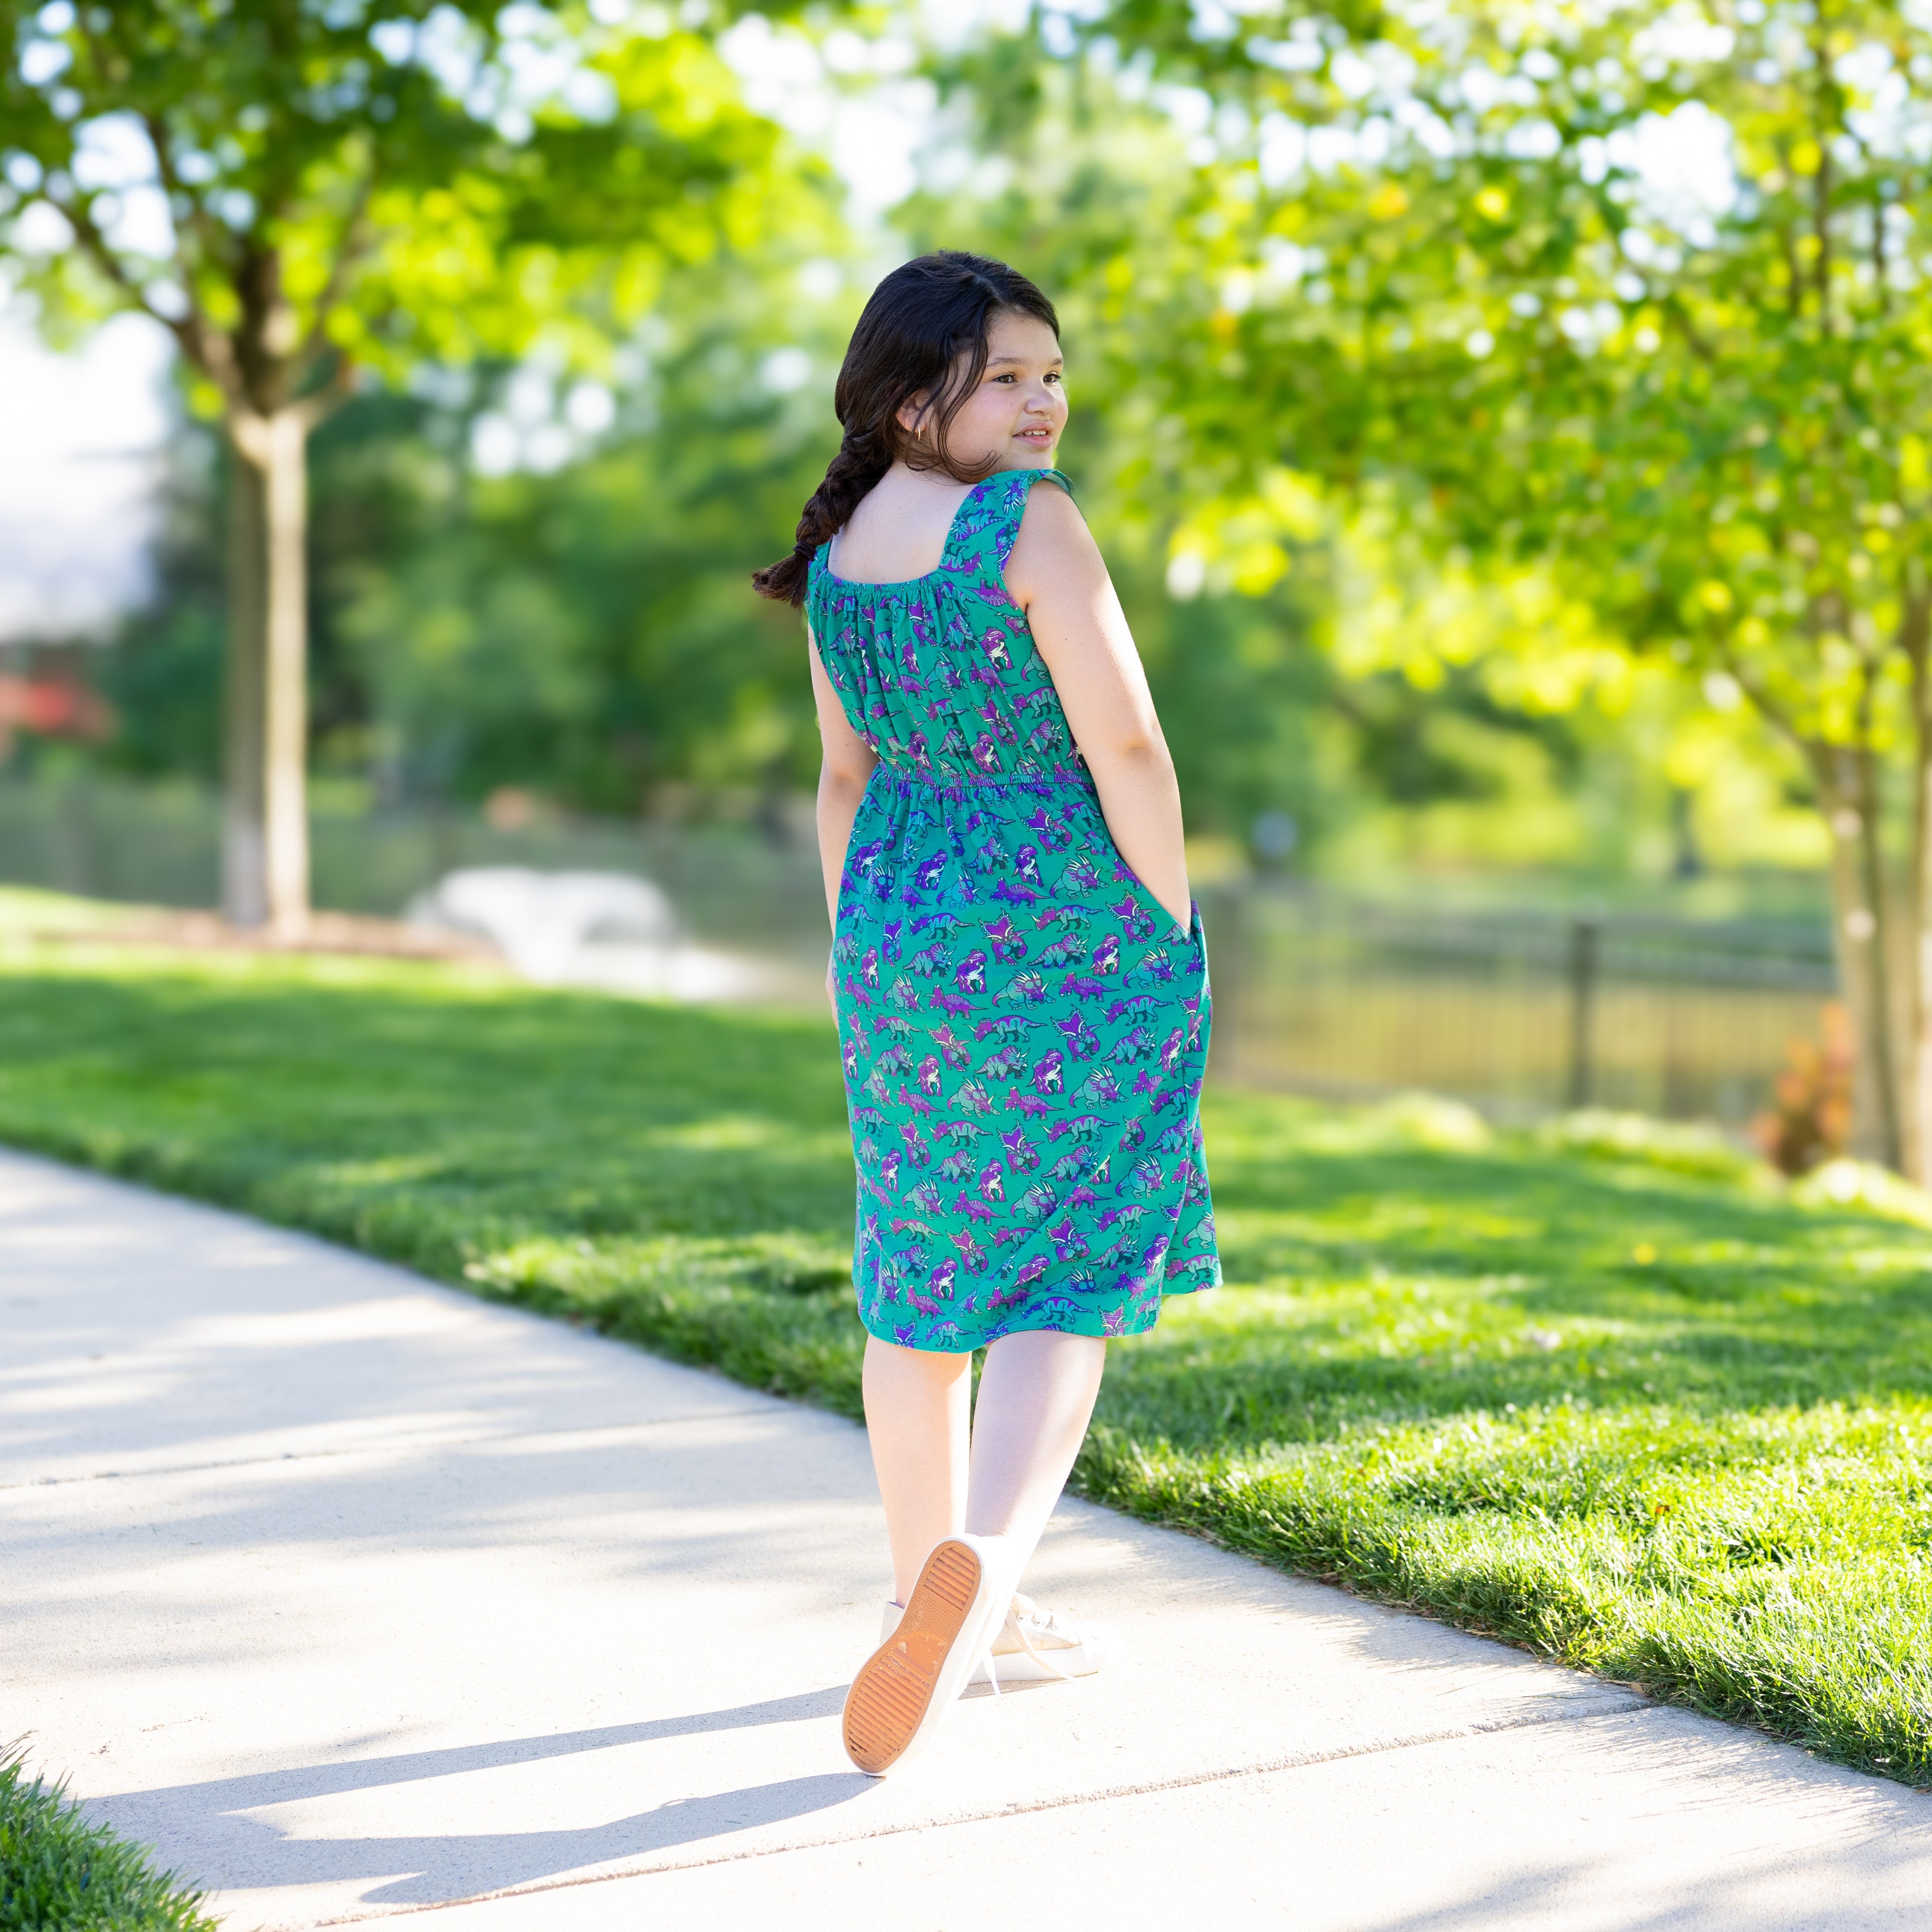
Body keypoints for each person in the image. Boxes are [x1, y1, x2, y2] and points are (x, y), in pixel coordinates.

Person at [753, 251, 1219, 1777]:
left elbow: (842, 780)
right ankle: (991, 1568)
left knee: (922, 1267)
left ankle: (928, 1595)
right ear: (909, 399)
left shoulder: (836, 558)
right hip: (1065, 922)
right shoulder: (1028, 526)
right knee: (1063, 1266)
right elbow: (1129, 747)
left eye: (1052, 373)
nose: (1042, 403)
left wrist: (862, 949)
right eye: (1005, 376)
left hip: (897, 934)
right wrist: (1168, 919)